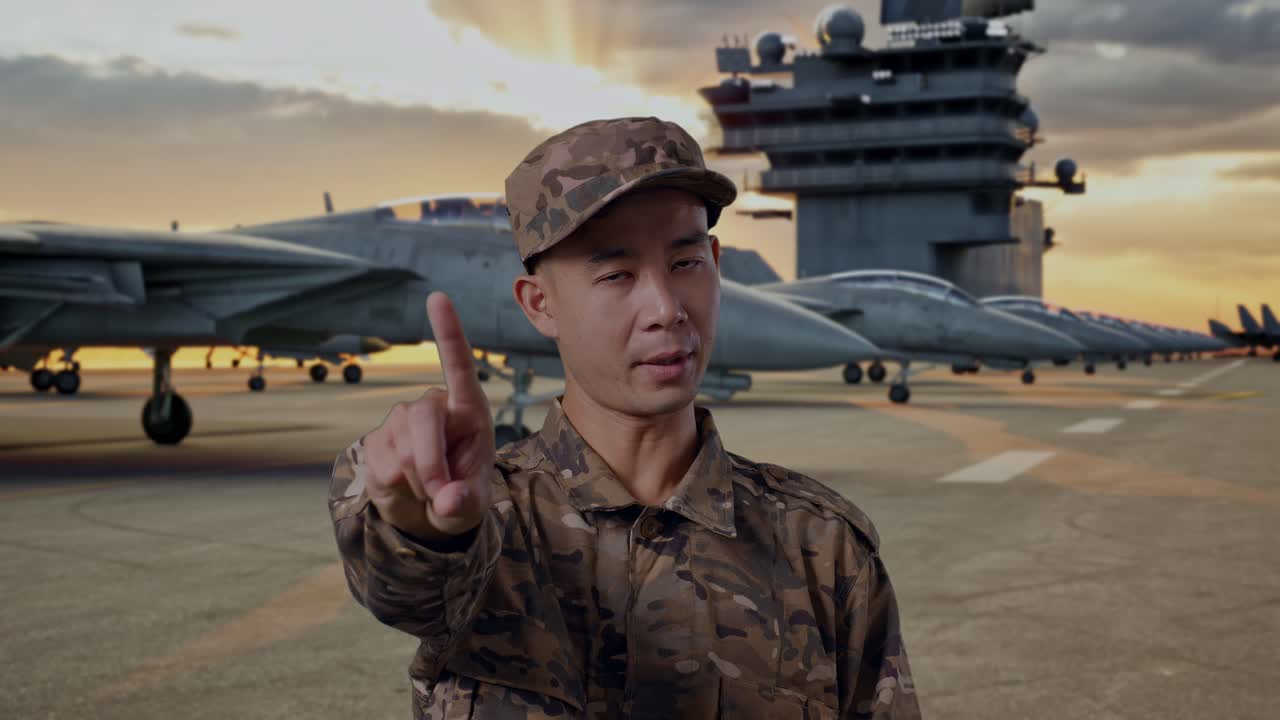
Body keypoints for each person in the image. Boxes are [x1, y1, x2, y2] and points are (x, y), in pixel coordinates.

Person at [328, 116, 919, 719]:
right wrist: (420, 530)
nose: (666, 309)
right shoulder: (493, 524)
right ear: (540, 304)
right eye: (616, 274)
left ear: (716, 261)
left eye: (686, 263)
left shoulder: (822, 546)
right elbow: (408, 585)